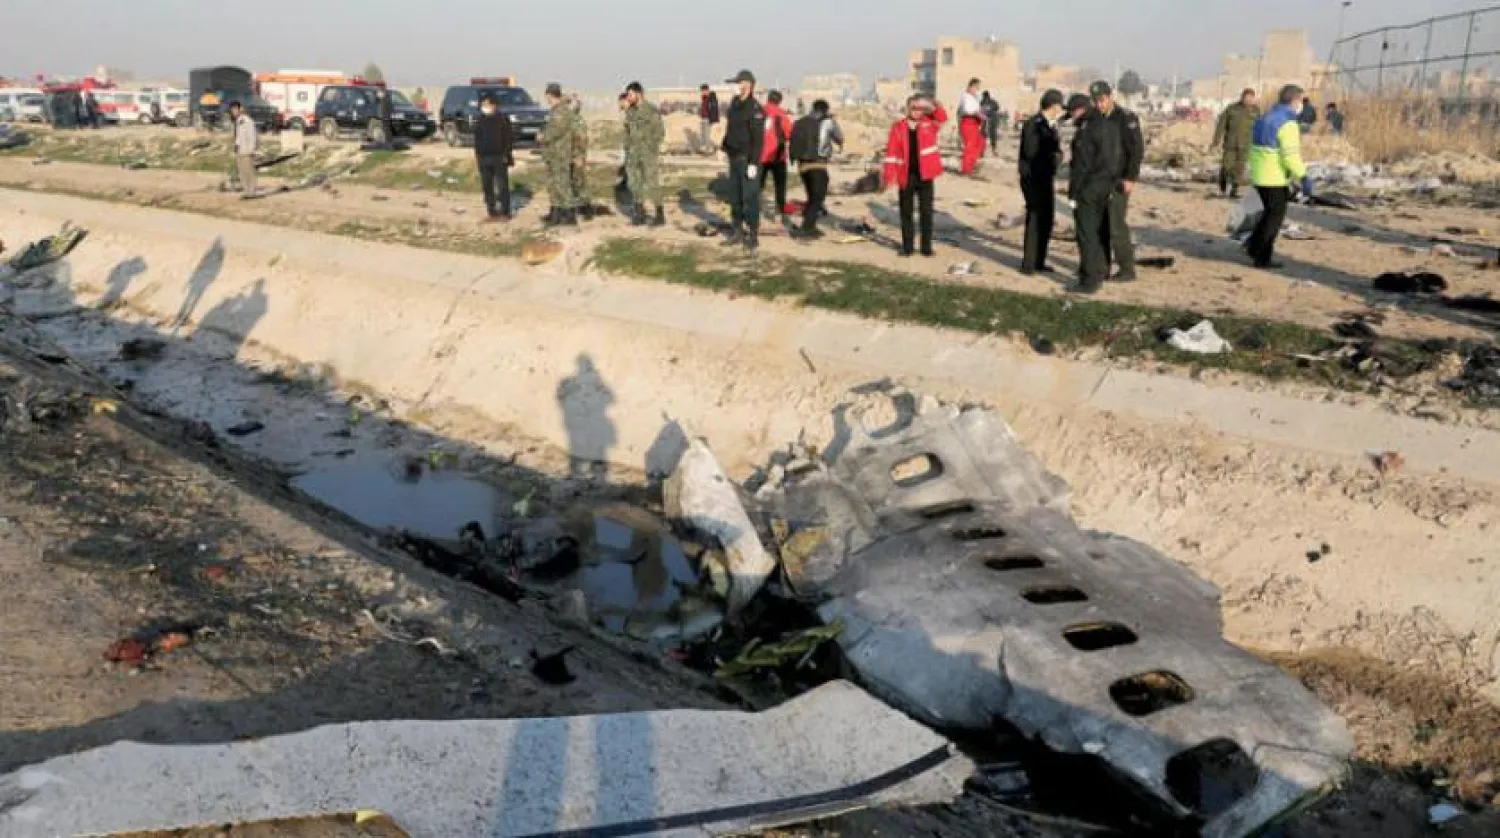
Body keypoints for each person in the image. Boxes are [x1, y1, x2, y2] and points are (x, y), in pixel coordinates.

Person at [1068, 81, 1142, 292]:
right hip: (1100, 180)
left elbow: (1135, 150)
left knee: (1116, 225)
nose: (1099, 104)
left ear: (1111, 97)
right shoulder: (1095, 118)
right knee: (1100, 226)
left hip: (1118, 180)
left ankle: (1127, 268)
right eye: (1096, 101)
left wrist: (1130, 177)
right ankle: (1100, 267)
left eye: (1102, 100)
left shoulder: (1125, 118)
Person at [1247, 84, 1312, 270]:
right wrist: (1304, 177)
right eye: (1301, 100)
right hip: (1275, 177)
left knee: (1267, 215)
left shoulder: (1266, 117)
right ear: (1293, 100)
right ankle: (1263, 257)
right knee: (1274, 218)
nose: (1302, 104)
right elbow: (1290, 155)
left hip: (1260, 175)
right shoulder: (1288, 124)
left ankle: (1253, 247)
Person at [882, 95, 948, 257]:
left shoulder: (930, 124)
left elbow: (942, 116)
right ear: (907, 109)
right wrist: (889, 176)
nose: (917, 112)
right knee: (906, 213)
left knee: (926, 213)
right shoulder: (898, 127)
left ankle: (926, 248)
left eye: (920, 108)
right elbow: (891, 152)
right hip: (906, 176)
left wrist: (932, 104)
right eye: (913, 108)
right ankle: (907, 248)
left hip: (926, 176)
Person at [1018, 89, 1065, 275]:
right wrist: (1054, 157)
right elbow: (1031, 151)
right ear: (1053, 106)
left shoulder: (1050, 124)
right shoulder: (1034, 124)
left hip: (1046, 177)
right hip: (1033, 178)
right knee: (1035, 219)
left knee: (1047, 219)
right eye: (1060, 106)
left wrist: (1057, 156)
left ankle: (1039, 260)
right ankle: (1028, 263)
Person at [720, 69, 767, 251]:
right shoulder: (734, 105)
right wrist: (724, 147)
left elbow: (758, 139)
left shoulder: (755, 109)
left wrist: (754, 163)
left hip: (747, 159)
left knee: (750, 198)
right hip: (733, 157)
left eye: (738, 83)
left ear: (748, 85)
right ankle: (737, 230)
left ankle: (753, 234)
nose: (735, 87)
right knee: (735, 197)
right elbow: (731, 130)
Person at [790, 98, 844, 238]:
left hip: (802, 166)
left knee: (812, 197)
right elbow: (840, 138)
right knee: (817, 198)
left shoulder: (800, 122)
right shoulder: (827, 122)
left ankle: (810, 226)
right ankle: (806, 228)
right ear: (825, 110)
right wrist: (834, 122)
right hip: (818, 165)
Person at [623, 81, 666, 227]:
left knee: (652, 183)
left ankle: (660, 215)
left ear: (638, 94)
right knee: (634, 184)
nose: (628, 97)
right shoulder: (630, 111)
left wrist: (650, 147)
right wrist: (627, 148)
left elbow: (660, 132)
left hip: (647, 153)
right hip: (633, 154)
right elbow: (627, 133)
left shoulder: (651, 111)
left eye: (630, 94)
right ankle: (639, 213)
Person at [540, 82, 582, 226]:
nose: (547, 99)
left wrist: (542, 137)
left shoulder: (561, 112)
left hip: (560, 154)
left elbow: (556, 131)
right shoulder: (556, 110)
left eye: (547, 96)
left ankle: (569, 215)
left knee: (562, 185)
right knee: (553, 185)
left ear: (551, 95)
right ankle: (555, 213)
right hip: (553, 154)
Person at [1211, 88, 1260, 199]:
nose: (1248, 100)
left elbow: (1260, 127)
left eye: (1251, 98)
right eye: (1246, 98)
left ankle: (1235, 189)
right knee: (1226, 166)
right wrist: (1216, 141)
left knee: (1240, 169)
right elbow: (1221, 125)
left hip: (1246, 145)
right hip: (1231, 144)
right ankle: (1222, 188)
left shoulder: (1256, 111)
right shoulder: (1232, 109)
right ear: (1242, 97)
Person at [473, 94, 515, 221]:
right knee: (487, 186)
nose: (484, 107)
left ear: (494, 105)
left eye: (487, 105)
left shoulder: (502, 119)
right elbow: (477, 140)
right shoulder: (480, 120)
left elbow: (508, 139)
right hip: (484, 158)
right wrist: (478, 157)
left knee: (502, 185)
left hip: (499, 157)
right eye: (483, 105)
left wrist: (506, 155)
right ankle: (492, 212)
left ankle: (505, 213)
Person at [759, 90, 794, 223]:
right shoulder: (781, 114)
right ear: (779, 101)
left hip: (760, 155)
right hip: (777, 155)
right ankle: (780, 210)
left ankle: (755, 208)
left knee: (758, 185)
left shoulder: (759, 112)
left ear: (768, 99)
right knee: (780, 185)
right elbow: (789, 133)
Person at [229, 100, 259, 197]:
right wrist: (235, 147)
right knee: (242, 172)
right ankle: (246, 191)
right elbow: (238, 136)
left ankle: (252, 191)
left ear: (240, 109)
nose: (234, 112)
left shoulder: (247, 120)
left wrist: (251, 149)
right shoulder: (238, 121)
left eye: (235, 109)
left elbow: (252, 135)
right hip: (240, 150)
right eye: (232, 110)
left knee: (249, 171)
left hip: (247, 150)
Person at [957, 78, 985, 175]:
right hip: (968, 122)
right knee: (970, 146)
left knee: (980, 143)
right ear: (971, 86)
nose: (977, 89)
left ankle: (972, 164)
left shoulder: (974, 97)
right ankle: (966, 169)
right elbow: (968, 110)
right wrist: (978, 114)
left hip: (974, 124)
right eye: (976, 87)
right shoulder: (966, 96)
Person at [698, 84, 721, 155]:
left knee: (707, 134)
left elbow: (714, 109)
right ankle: (705, 148)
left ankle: (709, 149)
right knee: (703, 134)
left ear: (707, 90)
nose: (702, 92)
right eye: (702, 91)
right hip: (703, 118)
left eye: (703, 91)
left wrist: (713, 119)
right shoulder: (704, 98)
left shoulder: (712, 98)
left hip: (708, 118)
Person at [981, 91, 1002, 156]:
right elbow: (997, 108)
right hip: (987, 120)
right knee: (985, 136)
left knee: (990, 136)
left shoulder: (985, 102)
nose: (984, 98)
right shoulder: (983, 102)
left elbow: (997, 108)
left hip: (990, 120)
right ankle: (983, 151)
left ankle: (993, 151)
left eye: (984, 96)